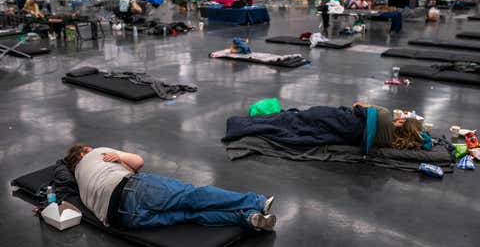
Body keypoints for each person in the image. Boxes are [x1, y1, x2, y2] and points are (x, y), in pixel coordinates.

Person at [64, 144, 276, 230]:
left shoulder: (80, 178)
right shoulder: (96, 153)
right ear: (83, 152)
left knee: (189, 215)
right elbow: (137, 164)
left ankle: (248, 218)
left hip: (123, 220)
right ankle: (256, 202)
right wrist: (119, 157)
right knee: (193, 197)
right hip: (130, 190)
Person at [223, 102, 431, 153]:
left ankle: (237, 124)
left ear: (402, 122)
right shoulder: (388, 143)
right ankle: (244, 125)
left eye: (403, 116)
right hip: (344, 134)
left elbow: (356, 105)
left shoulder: (384, 115)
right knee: (290, 125)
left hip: (334, 118)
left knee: (288, 119)